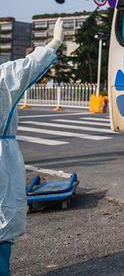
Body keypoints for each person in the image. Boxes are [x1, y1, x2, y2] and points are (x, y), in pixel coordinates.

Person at [0, 18, 64, 275]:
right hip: (3, 162)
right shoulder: (3, 78)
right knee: (2, 227)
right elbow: (28, 67)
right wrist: (54, 44)